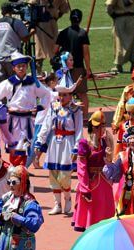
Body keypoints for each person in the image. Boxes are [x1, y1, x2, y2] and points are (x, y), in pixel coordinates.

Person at [35, 80, 83, 215]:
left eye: (65, 95)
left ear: (71, 95)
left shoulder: (76, 109)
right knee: (53, 174)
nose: (62, 98)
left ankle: (67, 198)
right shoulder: (54, 107)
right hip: (55, 143)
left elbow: (79, 130)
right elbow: (46, 125)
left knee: (64, 175)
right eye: (60, 95)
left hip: (68, 143)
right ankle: (58, 204)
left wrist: (76, 147)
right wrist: (40, 141)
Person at [0, 52, 52, 166]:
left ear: (27, 67)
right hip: (13, 119)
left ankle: (21, 170)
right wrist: (5, 108)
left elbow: (46, 94)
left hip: (28, 119)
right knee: (14, 147)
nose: (21, 68)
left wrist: (40, 107)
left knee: (25, 146)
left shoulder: (32, 82)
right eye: (18, 66)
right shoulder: (9, 83)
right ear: (14, 68)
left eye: (23, 66)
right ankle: (16, 170)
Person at [72, 110, 115, 232]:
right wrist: (85, 188)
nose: (100, 129)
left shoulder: (105, 141)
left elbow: (109, 163)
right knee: (91, 215)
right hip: (91, 184)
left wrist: (108, 156)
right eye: (97, 126)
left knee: (105, 216)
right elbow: (81, 168)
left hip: (104, 183)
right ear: (92, 127)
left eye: (102, 126)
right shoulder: (84, 143)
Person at [54, 9, 91, 113]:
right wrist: (88, 69)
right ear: (80, 19)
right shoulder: (83, 33)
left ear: (70, 19)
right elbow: (86, 53)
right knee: (82, 93)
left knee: (62, 92)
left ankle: (61, 112)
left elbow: (55, 50)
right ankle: (84, 117)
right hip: (78, 68)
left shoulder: (63, 33)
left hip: (64, 68)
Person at [105, 0, 134, 73]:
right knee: (133, 42)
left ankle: (119, 65)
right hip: (130, 18)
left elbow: (109, 5)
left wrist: (113, 14)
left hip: (120, 19)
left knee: (120, 43)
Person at [0, 3, 31, 82]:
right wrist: (33, 32)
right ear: (12, 11)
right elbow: (25, 39)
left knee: (2, 84)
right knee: (15, 82)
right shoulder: (16, 22)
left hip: (0, 56)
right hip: (13, 57)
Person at [33, 0, 70, 75]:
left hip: (41, 25)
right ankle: (56, 74)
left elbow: (31, 6)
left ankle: (39, 74)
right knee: (52, 51)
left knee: (40, 52)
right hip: (51, 24)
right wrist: (56, 17)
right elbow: (64, 8)